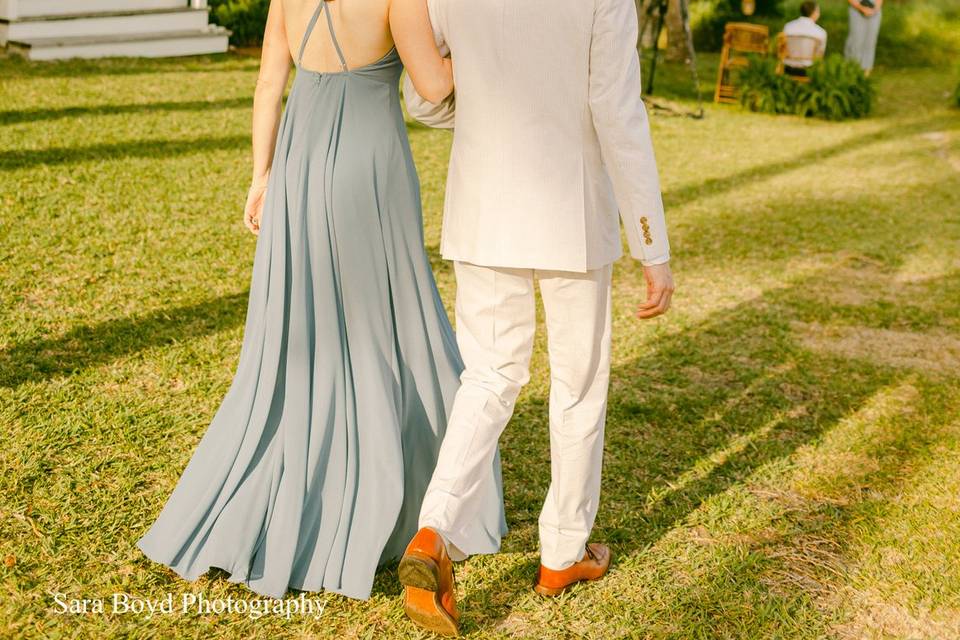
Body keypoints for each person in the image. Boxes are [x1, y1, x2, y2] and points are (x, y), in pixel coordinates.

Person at [135, 0, 507, 602]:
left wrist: (261, 176)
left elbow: (267, 85)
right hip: (370, 173)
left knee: (305, 328)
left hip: (297, 172)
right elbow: (434, 84)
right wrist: (489, 46)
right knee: (389, 321)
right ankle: (412, 490)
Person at [397, 0, 675, 634]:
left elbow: (424, 92)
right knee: (577, 386)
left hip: (483, 207)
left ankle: (434, 530)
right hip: (569, 213)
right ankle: (562, 554)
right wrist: (651, 246)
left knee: (490, 376)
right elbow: (617, 111)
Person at [782, 1, 827, 77]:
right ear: (815, 12)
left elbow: (782, 47)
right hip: (808, 70)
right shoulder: (820, 32)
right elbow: (819, 55)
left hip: (788, 68)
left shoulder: (788, 27)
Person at [845, 0, 882, 75]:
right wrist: (861, 7)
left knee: (870, 42)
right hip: (856, 10)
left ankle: (866, 74)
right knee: (855, 42)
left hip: (874, 11)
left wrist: (874, 9)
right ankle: (852, 71)